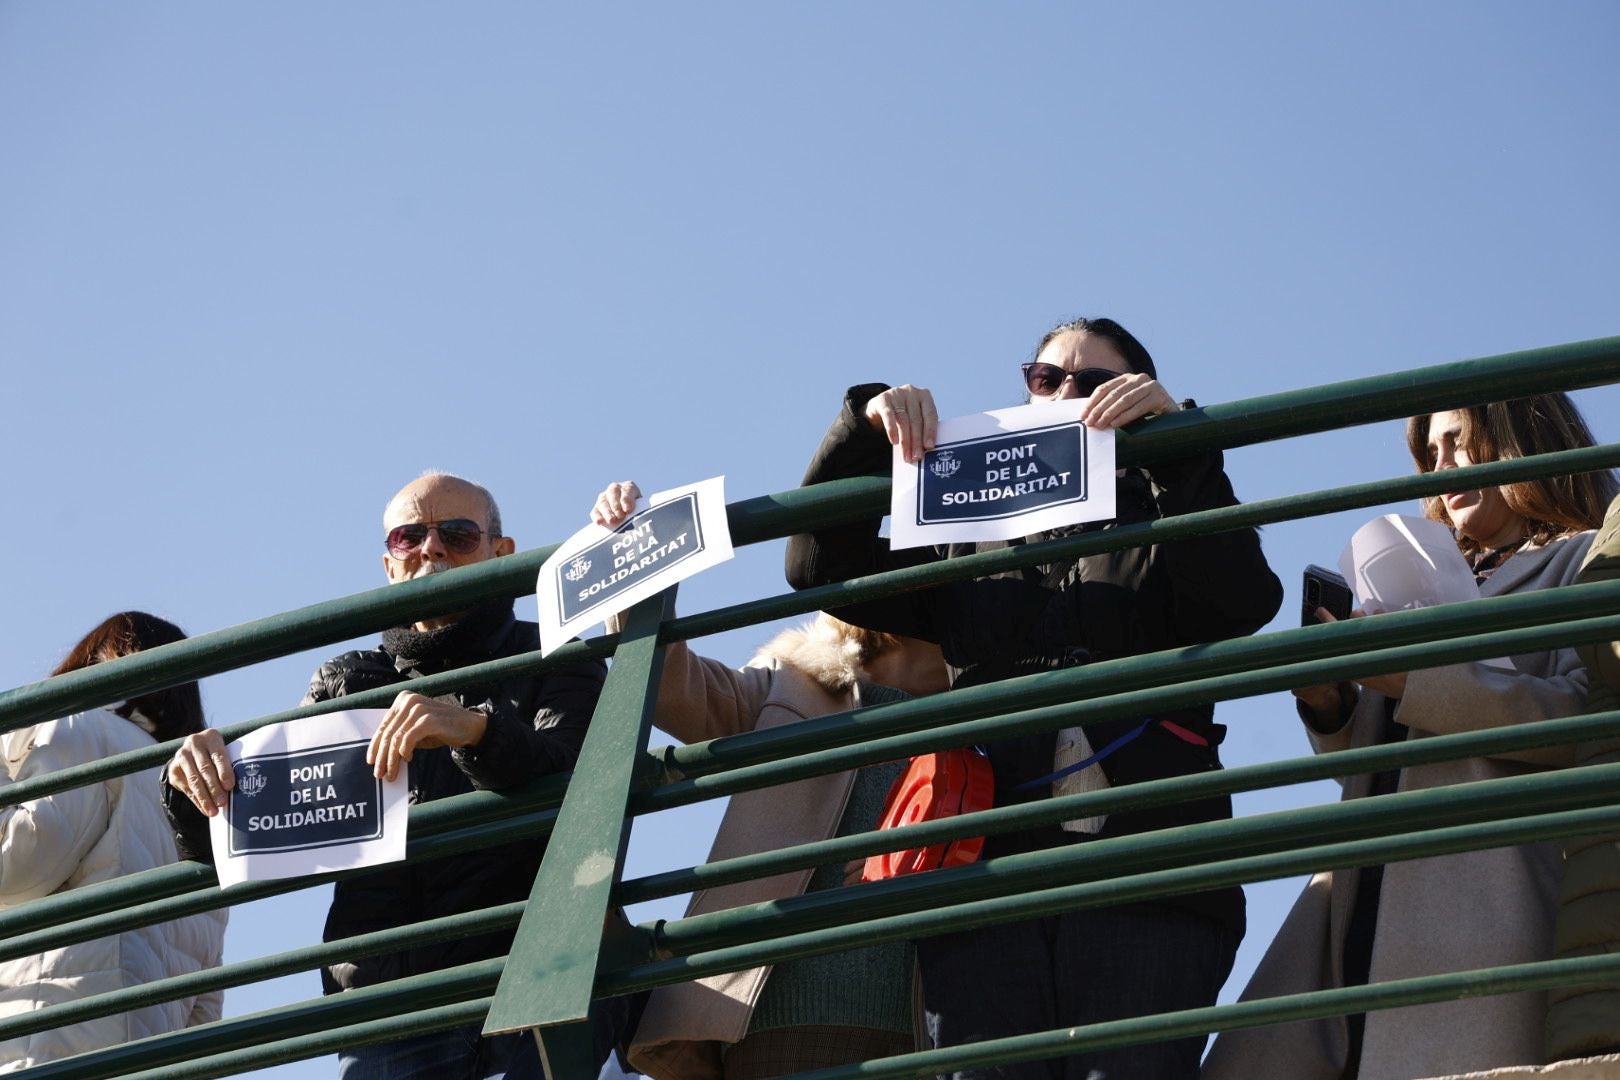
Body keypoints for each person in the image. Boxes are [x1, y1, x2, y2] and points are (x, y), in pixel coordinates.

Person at [785, 317, 1284, 1079]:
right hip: (985, 878)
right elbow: (818, 566)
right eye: (1046, 378)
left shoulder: (1165, 509)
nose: (1064, 394)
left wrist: (1179, 445)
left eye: (1093, 382)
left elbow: (1244, 600)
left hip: (1149, 884)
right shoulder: (966, 524)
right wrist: (866, 420)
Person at [1203, 394, 1619, 1080]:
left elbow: (1585, 722)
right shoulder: (1426, 568)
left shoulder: (1585, 560)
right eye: (1430, 453)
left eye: (1460, 443)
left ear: (1524, 442)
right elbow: (1379, 761)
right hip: (1367, 882)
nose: (1442, 466)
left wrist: (1419, 680)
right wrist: (1332, 704)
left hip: (1487, 893)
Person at [164, 471, 610, 1080]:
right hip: (386, 1007)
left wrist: (475, 730)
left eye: (457, 533)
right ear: (389, 563)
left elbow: (581, 779)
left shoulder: (558, 655)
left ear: (501, 553)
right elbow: (263, 826)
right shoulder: (349, 679)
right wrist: (192, 782)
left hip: (529, 979)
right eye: (409, 537)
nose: (432, 549)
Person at [590, 481, 951, 1080]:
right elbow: (681, 693)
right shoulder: (796, 679)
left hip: (944, 1017)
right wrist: (634, 569)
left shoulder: (990, 694)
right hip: (782, 1013)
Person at [1, 612, 227, 1070]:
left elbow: (18, 869)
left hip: (48, 1038)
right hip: (150, 1053)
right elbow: (205, 1006)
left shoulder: (82, 727)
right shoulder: (198, 802)